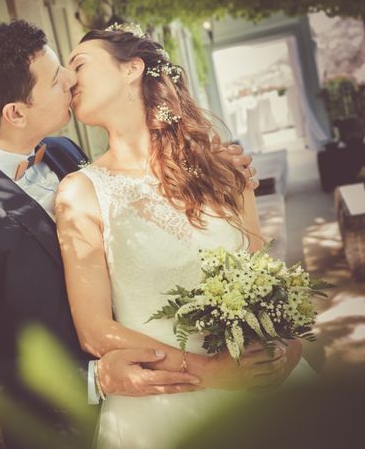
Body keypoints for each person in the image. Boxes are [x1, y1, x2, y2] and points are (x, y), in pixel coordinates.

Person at [0, 20, 258, 449]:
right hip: (65, 428)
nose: (71, 80)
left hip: (177, 378)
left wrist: (211, 174)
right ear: (15, 112)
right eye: (57, 79)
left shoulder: (62, 153)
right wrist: (93, 378)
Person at [55, 24, 316, 449]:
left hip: (263, 388)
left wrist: (288, 348)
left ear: (132, 69)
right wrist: (208, 371)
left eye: (78, 64)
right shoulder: (81, 192)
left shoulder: (224, 170)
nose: (69, 80)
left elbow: (267, 275)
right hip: (166, 413)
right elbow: (95, 331)